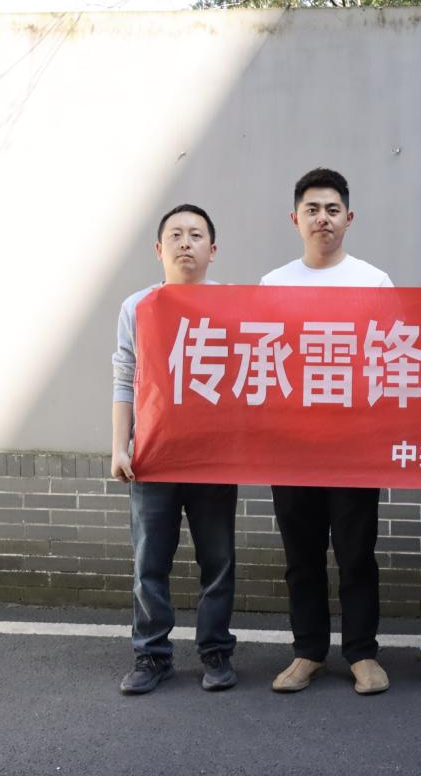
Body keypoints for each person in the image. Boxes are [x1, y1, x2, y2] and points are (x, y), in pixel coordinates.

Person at [262, 168, 393, 695]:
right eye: (312, 210)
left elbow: (390, 362)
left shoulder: (373, 282)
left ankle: (362, 653)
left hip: (353, 444)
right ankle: (308, 651)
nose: (323, 219)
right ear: (295, 219)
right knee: (302, 556)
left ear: (349, 218)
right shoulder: (273, 285)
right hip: (291, 444)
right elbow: (261, 363)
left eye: (332, 209)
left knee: (357, 553)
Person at [111, 204, 238, 694]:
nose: (186, 242)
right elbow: (125, 377)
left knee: (218, 560)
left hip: (213, 458)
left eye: (196, 235)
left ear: (213, 249)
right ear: (158, 249)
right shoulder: (138, 306)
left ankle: (216, 651)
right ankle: (152, 655)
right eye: (176, 235)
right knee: (149, 563)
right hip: (153, 456)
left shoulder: (233, 306)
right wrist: (120, 446)